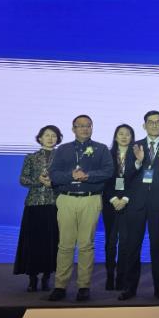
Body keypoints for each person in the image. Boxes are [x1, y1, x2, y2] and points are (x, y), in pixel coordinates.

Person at [48, 115, 113, 302]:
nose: (85, 129)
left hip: (90, 199)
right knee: (65, 245)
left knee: (86, 245)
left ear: (92, 128)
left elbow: (108, 172)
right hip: (67, 199)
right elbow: (54, 174)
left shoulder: (101, 149)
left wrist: (88, 175)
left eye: (88, 126)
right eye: (80, 126)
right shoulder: (63, 149)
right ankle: (60, 286)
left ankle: (84, 286)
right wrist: (72, 175)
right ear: (73, 129)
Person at [119, 110, 159, 301]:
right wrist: (138, 162)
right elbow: (127, 175)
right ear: (144, 125)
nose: (154, 125)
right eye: (150, 122)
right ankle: (130, 288)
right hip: (136, 202)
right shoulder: (135, 146)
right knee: (133, 245)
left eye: (157, 122)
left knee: (157, 245)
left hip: (158, 202)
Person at [14, 125, 62, 292]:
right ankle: (32, 278)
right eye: (46, 135)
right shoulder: (31, 157)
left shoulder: (62, 157)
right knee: (32, 242)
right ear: (40, 138)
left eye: (53, 135)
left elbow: (66, 179)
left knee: (51, 242)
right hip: (33, 205)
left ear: (58, 139)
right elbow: (23, 179)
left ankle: (47, 277)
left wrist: (53, 183)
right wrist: (38, 180)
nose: (50, 138)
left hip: (54, 204)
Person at [102, 124, 135, 291]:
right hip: (110, 203)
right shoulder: (107, 155)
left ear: (132, 137)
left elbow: (137, 180)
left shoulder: (137, 155)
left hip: (129, 203)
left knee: (125, 242)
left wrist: (126, 199)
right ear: (115, 137)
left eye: (127, 134)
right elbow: (104, 179)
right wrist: (114, 199)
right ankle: (109, 276)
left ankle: (121, 277)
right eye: (120, 134)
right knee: (110, 241)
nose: (124, 137)